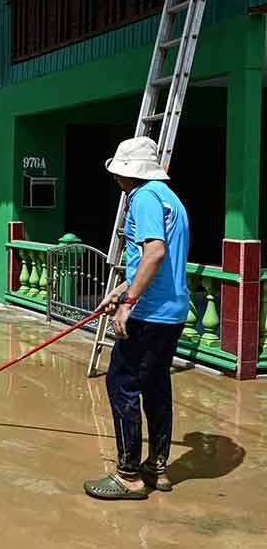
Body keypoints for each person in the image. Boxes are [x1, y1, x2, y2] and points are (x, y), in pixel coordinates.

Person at [84, 137, 190, 500]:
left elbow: (155, 253)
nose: (116, 179)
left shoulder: (142, 198)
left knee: (122, 384)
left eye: (120, 172)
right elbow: (154, 259)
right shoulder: (170, 199)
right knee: (157, 385)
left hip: (149, 313)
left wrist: (129, 301)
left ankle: (128, 474)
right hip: (173, 311)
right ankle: (156, 468)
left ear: (132, 172)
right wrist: (122, 288)